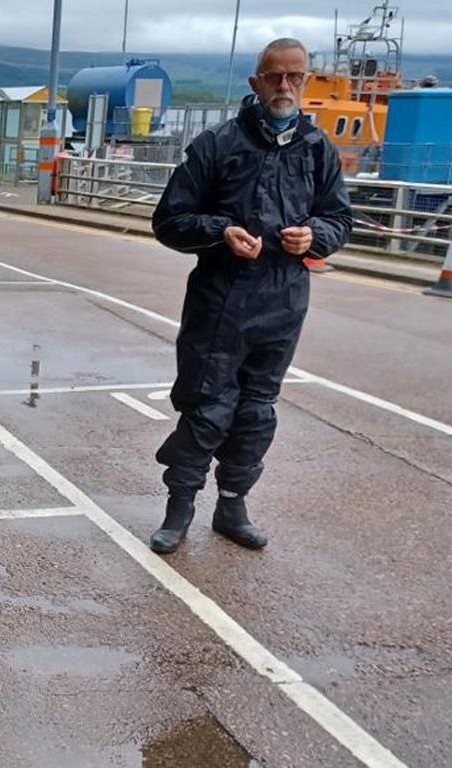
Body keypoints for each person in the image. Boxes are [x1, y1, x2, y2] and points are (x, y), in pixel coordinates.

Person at [148, 38, 353, 554]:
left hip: (284, 300)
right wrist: (222, 232)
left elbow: (339, 218)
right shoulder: (216, 145)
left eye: (295, 77)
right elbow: (170, 220)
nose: (285, 86)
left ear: (305, 81)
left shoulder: (318, 147)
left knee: (258, 410)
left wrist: (317, 237)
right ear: (256, 82)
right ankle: (179, 508)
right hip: (221, 299)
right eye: (275, 76)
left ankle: (233, 504)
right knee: (207, 406)